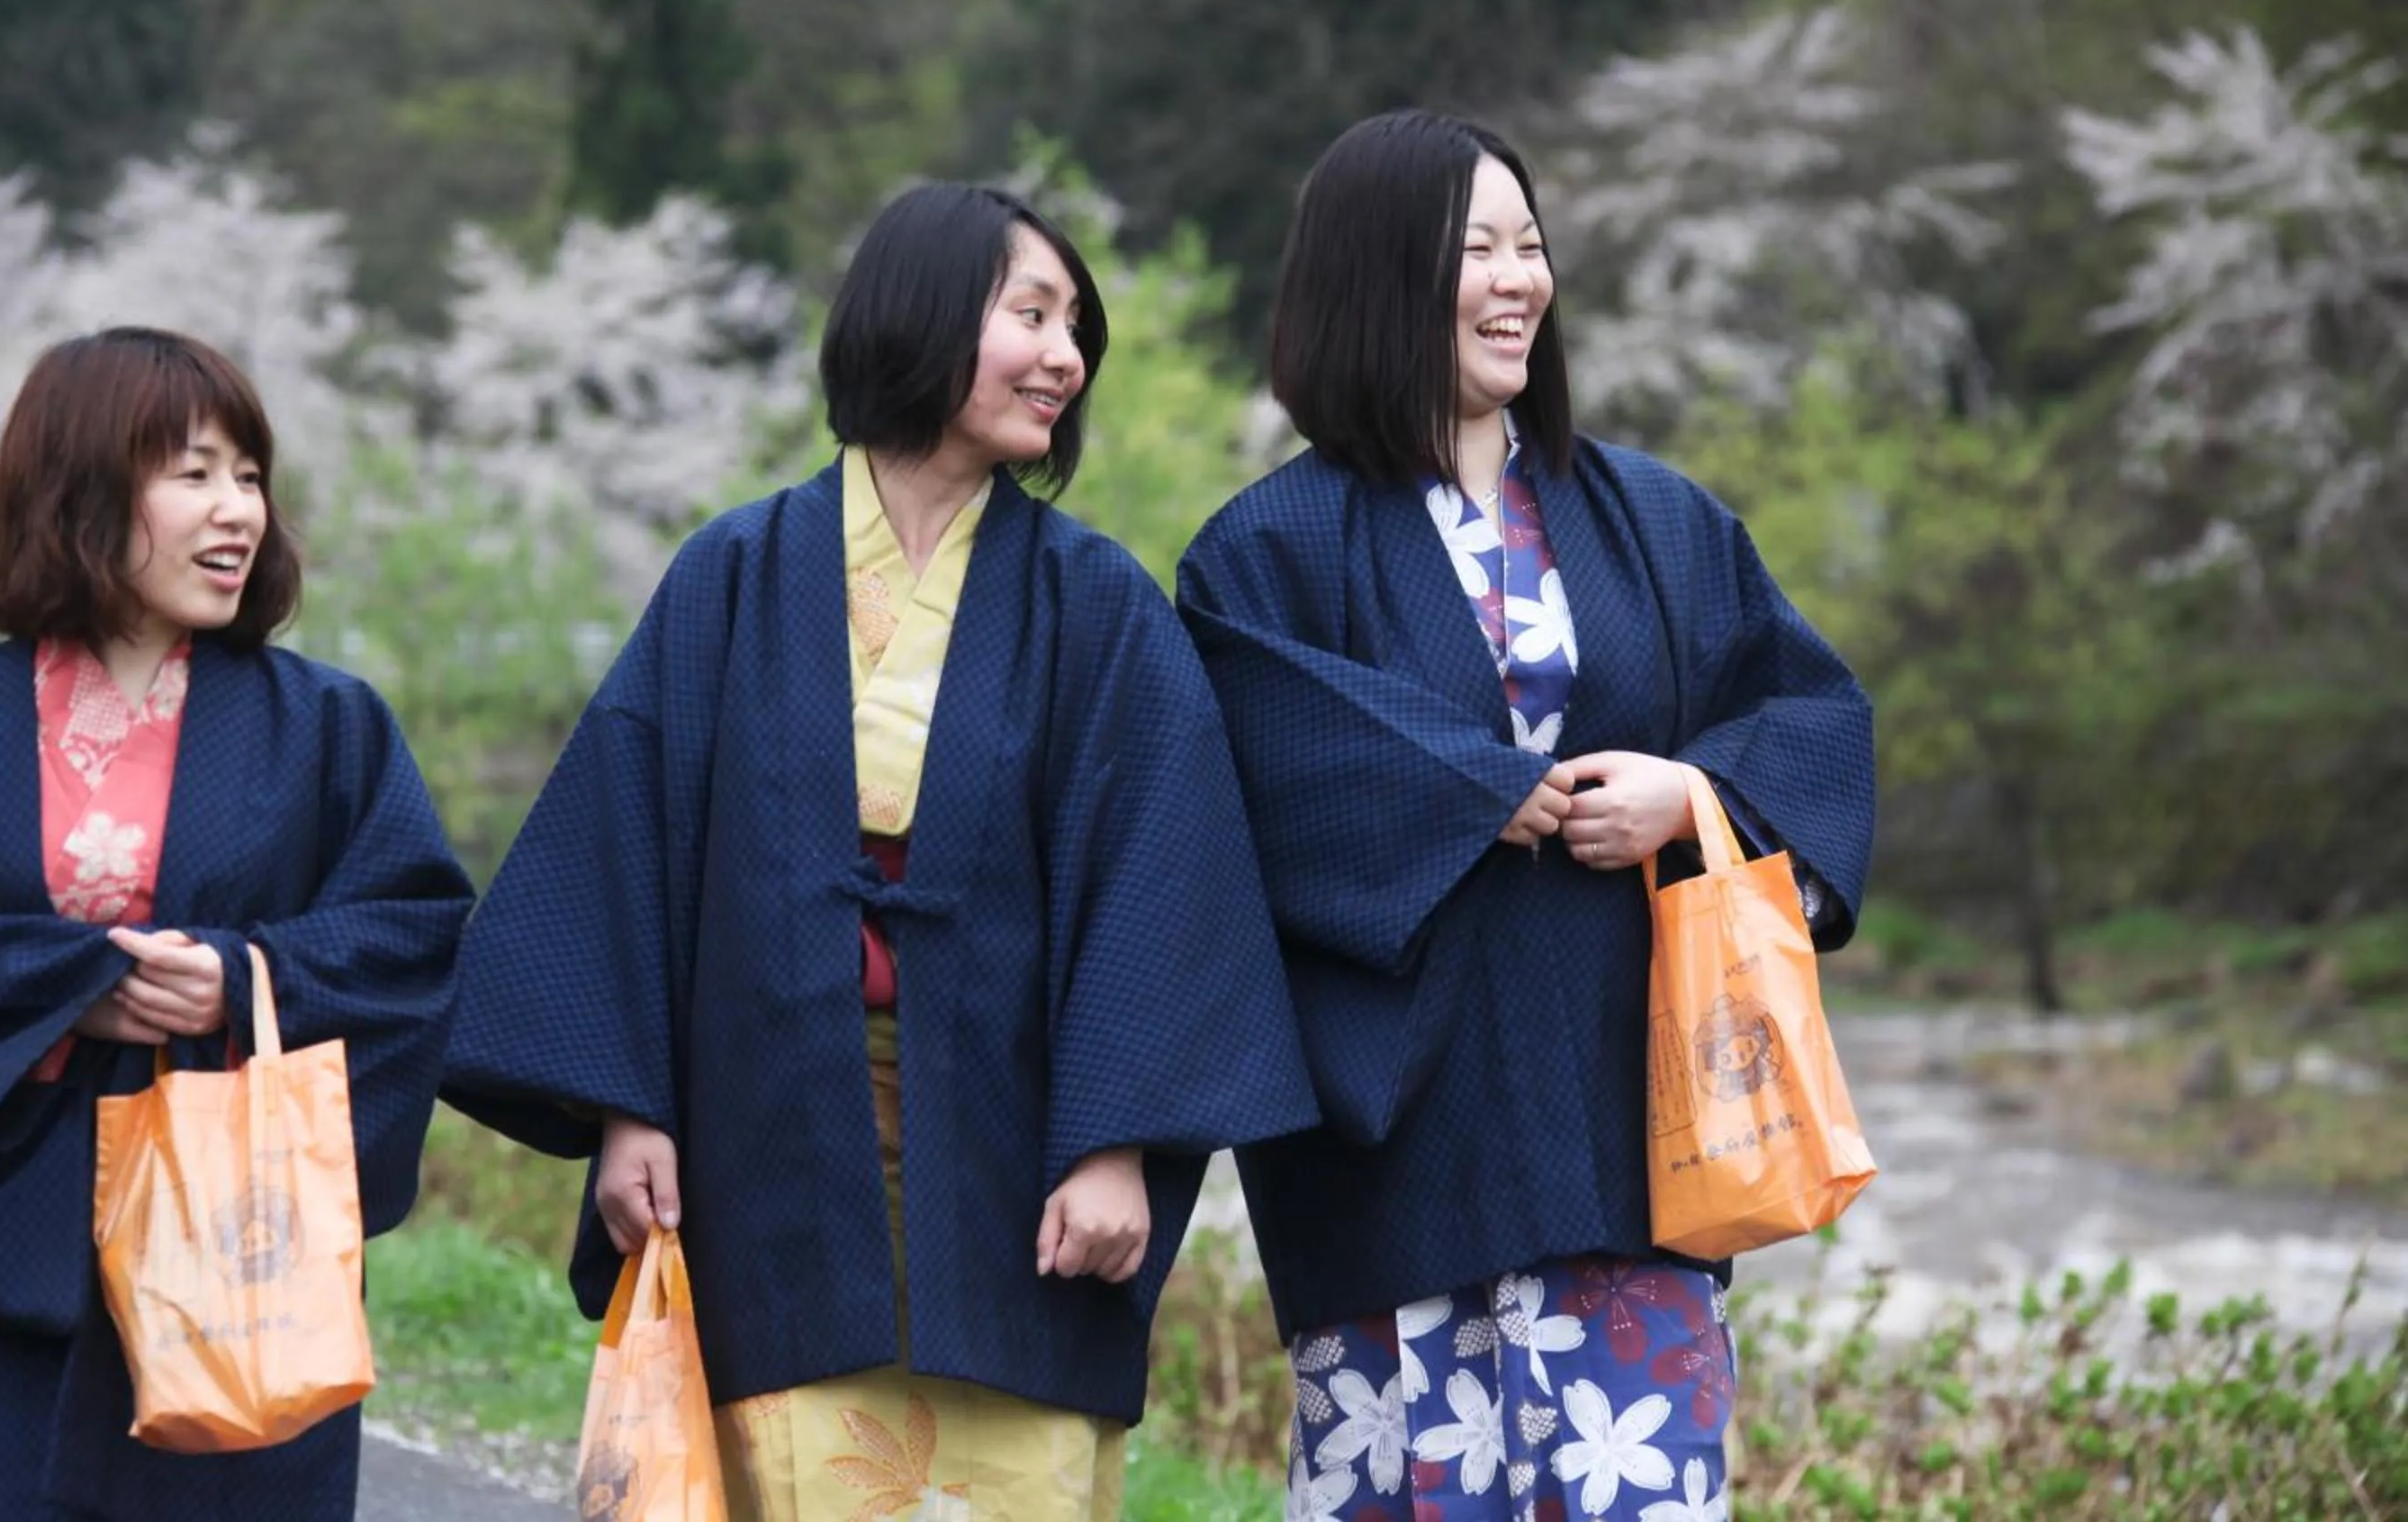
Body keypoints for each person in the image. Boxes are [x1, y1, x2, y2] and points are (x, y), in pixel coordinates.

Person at [441, 183, 1319, 1521]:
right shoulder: (734, 576)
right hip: (774, 1148)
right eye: (1032, 315)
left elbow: (1164, 882)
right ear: (922, 315)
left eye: (1076, 329)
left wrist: (1118, 1144)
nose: (1066, 358)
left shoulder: (1096, 604)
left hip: (1017, 1157)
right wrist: (626, 1108)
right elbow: (620, 851)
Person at [1177, 112, 1875, 1521]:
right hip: (1399, 1152)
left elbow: (1811, 714)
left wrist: (1693, 795)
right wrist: (1476, 789)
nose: (1519, 280)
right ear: (1378, 275)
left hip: (1631, 1127)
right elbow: (1255, 771)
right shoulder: (1262, 554)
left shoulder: (1656, 516)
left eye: (1531, 245)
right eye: (1476, 249)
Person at [0, 327, 474, 1522]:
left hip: (235, 1250)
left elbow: (415, 938)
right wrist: (67, 987)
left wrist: (245, 978)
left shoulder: (328, 727)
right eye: (193, 472)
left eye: (249, 475)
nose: (238, 511)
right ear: (79, 491)